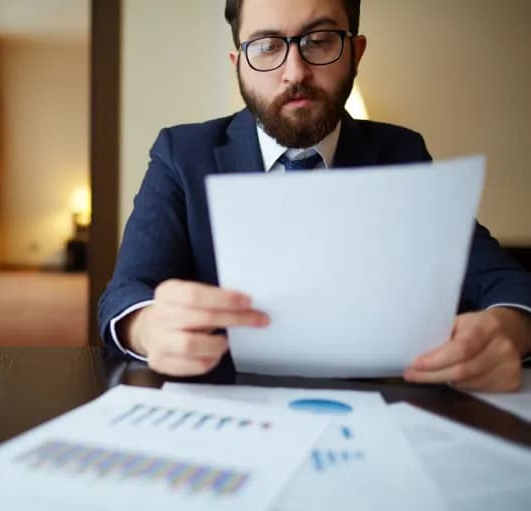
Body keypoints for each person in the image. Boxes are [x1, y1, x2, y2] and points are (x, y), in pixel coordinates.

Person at [98, 0, 531, 391]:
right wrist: (148, 327)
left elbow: (508, 282)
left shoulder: (402, 153)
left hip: (376, 408)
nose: (296, 72)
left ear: (356, 53)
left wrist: (505, 330)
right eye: (267, 46)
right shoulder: (181, 154)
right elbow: (126, 292)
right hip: (224, 407)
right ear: (238, 63)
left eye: (320, 41)